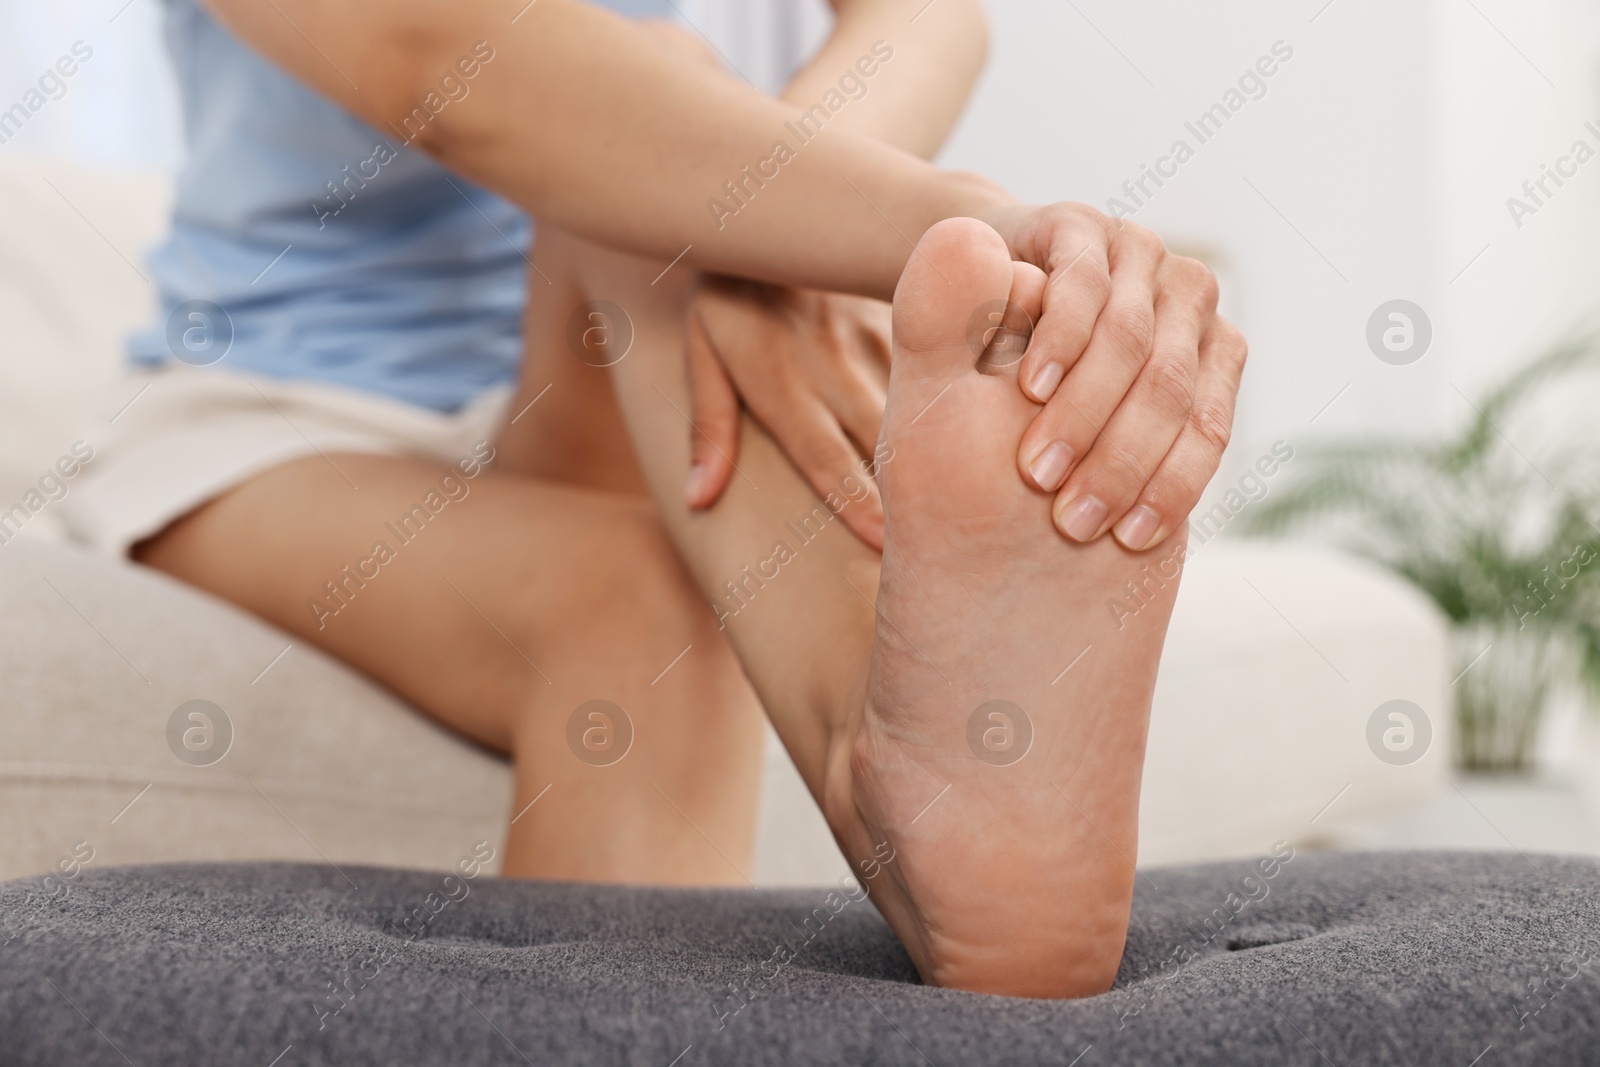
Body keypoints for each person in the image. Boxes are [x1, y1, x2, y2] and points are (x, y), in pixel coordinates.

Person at [65, 0, 1246, 999]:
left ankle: (925, 780)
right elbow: (440, 54)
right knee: (637, 585)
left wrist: (763, 234)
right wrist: (944, 227)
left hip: (602, 353)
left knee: (673, 164)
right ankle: (891, 768)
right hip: (279, 414)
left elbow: (929, 16)